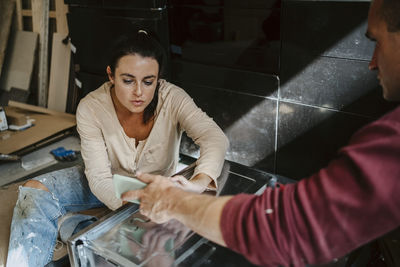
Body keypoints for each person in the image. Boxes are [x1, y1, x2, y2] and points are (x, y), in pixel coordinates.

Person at [121, 0, 400, 266]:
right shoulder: (93, 108)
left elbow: (289, 227)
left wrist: (182, 196)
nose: (371, 62)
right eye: (127, 80)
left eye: (376, 42)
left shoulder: (394, 141)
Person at [6, 29, 228, 267]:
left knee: (147, 254)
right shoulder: (90, 107)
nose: (139, 93)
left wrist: (197, 183)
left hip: (155, 189)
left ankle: (78, 226)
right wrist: (138, 211)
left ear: (158, 77)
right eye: (128, 80)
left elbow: (214, 138)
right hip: (106, 182)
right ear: (111, 75)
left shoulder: (173, 98)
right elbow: (100, 179)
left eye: (148, 81)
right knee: (34, 191)